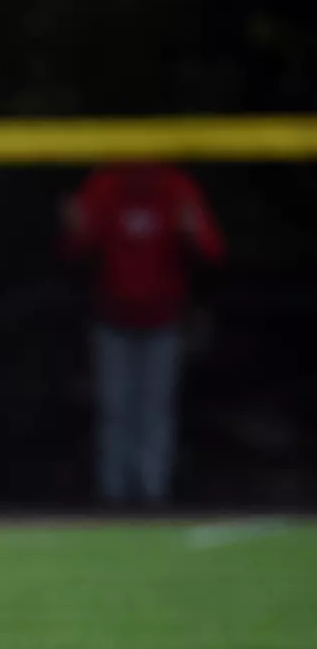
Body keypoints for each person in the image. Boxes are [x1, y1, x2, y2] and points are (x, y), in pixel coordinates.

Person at [62, 161, 226, 507]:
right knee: (115, 407)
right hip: (112, 318)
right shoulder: (103, 185)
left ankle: (152, 494)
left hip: (162, 319)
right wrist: (76, 229)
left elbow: (211, 251)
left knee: (155, 408)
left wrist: (192, 231)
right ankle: (114, 495)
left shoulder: (176, 186)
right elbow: (75, 249)